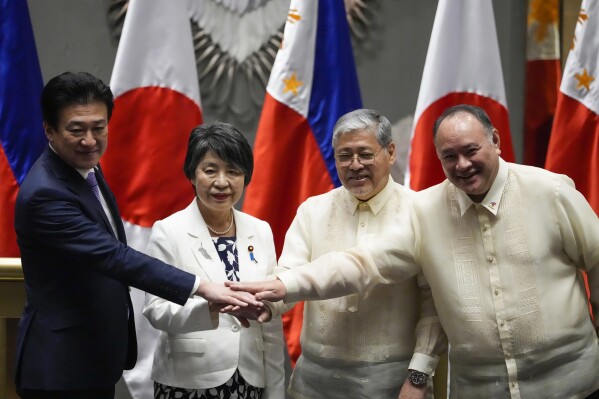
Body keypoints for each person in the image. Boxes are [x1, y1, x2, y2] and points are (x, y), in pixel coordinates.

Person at [230, 105, 599, 398]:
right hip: (479, 389)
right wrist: (282, 286)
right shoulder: (426, 211)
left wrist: (419, 374)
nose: (463, 165)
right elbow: (365, 263)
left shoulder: (550, 191)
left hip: (573, 383)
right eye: (449, 156)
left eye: (471, 150)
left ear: (496, 141)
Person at [14, 71, 260, 399]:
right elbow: (113, 256)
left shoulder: (85, 168)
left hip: (92, 356)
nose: (90, 140)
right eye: (76, 130)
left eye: (98, 128)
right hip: (60, 365)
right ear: (50, 131)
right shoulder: (47, 193)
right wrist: (202, 287)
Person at [263, 109, 446, 399]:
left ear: (391, 152)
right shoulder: (313, 210)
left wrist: (419, 374)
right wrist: (263, 304)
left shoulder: (419, 211)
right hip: (313, 378)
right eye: (344, 156)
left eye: (365, 154)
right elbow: (288, 276)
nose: (355, 165)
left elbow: (433, 304)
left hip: (392, 379)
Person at [142, 121, 285, 398]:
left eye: (233, 171)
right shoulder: (168, 230)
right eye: (210, 170)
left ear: (246, 177)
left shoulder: (260, 230)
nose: (222, 182)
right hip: (188, 380)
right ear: (192, 175)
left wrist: (275, 390)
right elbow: (156, 310)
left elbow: (271, 318)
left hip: (249, 378)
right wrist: (210, 308)